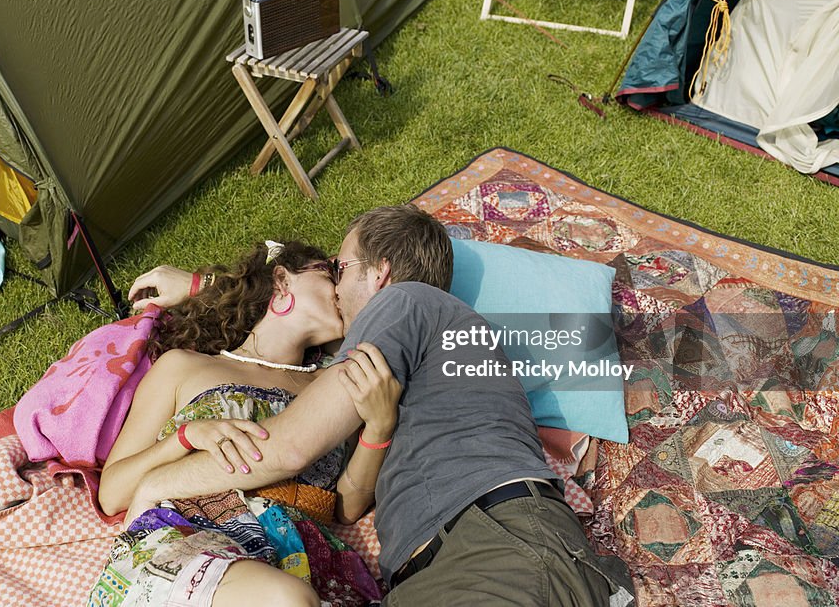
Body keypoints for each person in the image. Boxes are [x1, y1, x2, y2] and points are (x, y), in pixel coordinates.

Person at [127, 205, 627, 606]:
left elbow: (286, 447)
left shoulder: (402, 303)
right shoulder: (421, 339)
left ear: (380, 273)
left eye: (340, 269)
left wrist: (155, 485)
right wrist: (204, 287)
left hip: (494, 546)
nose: (337, 287)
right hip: (456, 563)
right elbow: (278, 319)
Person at [90, 240, 396, 607]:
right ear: (282, 279)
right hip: (191, 534)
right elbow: (112, 494)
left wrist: (378, 431)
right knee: (286, 599)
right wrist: (185, 439)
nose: (341, 288)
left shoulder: (331, 385)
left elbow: (345, 507)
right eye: (330, 272)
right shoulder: (185, 367)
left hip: (302, 558)